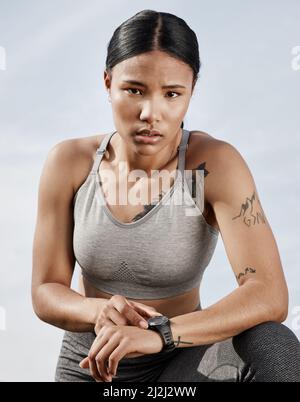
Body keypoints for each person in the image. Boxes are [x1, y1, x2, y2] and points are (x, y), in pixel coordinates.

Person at [31, 9, 300, 382]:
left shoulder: (208, 166)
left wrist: (162, 334)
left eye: (172, 94)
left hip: (181, 363)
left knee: (275, 345)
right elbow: (46, 290)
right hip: (93, 367)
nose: (149, 113)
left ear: (191, 93)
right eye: (134, 90)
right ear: (107, 83)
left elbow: (270, 294)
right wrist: (99, 312)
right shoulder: (71, 164)